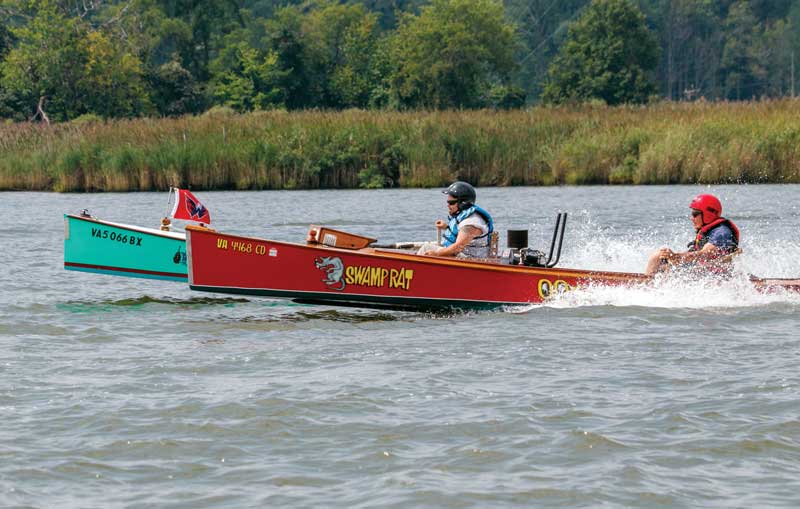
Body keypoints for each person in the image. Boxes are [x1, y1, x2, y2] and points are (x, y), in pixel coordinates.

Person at [645, 193, 740, 276]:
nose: (692, 218)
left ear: (707, 214)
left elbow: (704, 255)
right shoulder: (711, 231)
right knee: (659, 256)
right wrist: (673, 257)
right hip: (703, 270)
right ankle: (651, 282)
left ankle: (649, 285)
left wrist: (676, 256)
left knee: (657, 258)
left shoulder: (721, 233)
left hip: (714, 276)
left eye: (695, 214)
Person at [421, 181, 494, 258]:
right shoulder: (466, 218)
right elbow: (461, 234)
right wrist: (446, 227)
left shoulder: (471, 223)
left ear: (463, 203)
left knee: (426, 248)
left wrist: (437, 254)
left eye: (451, 203)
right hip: (463, 256)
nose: (448, 205)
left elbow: (458, 247)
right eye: (447, 202)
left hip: (471, 261)